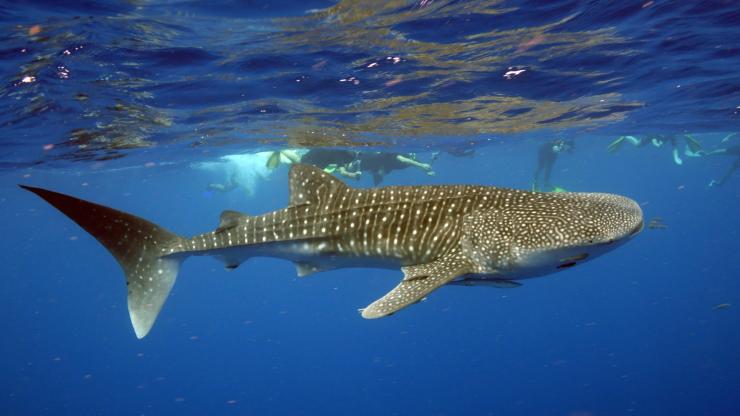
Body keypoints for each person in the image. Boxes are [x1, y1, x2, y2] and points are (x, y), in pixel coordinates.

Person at [607, 134, 704, 165]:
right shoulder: (654, 137)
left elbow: (675, 147)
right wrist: (657, 144)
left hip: (657, 136)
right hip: (650, 136)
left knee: (637, 144)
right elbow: (654, 141)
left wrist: (676, 158)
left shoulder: (670, 136)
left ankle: (625, 137)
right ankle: (625, 137)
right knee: (637, 144)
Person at [355, 152, 434, 185]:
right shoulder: (401, 155)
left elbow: (416, 164)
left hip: (388, 165)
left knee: (379, 173)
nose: (413, 155)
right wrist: (422, 165)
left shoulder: (413, 159)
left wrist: (426, 171)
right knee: (378, 171)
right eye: (411, 154)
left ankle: (376, 173)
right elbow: (404, 159)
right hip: (384, 160)